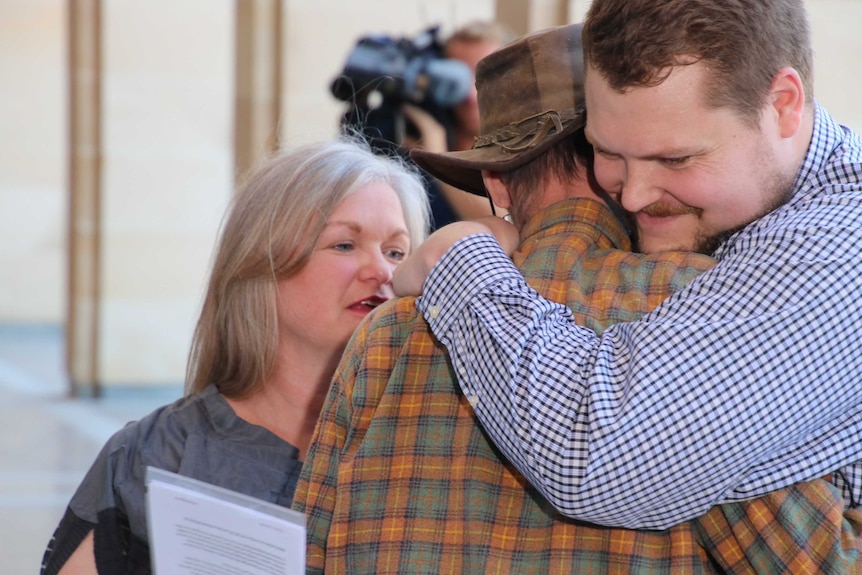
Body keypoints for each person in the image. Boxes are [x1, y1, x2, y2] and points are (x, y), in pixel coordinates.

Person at [293, 24, 861, 574]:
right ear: (601, 156)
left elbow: (305, 550)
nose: (636, 191)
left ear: (495, 182)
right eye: (615, 157)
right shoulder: (707, 305)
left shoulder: (389, 337)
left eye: (674, 158)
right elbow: (815, 559)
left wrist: (458, 256)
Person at [40, 137, 430, 575]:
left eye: (396, 252)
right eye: (344, 245)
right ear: (261, 264)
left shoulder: (434, 451)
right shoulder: (156, 453)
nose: (382, 271)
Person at [402, 20, 514, 226]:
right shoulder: (415, 142)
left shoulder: (526, 154)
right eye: (458, 81)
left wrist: (437, 160)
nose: (471, 95)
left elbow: (506, 223)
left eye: (484, 79)